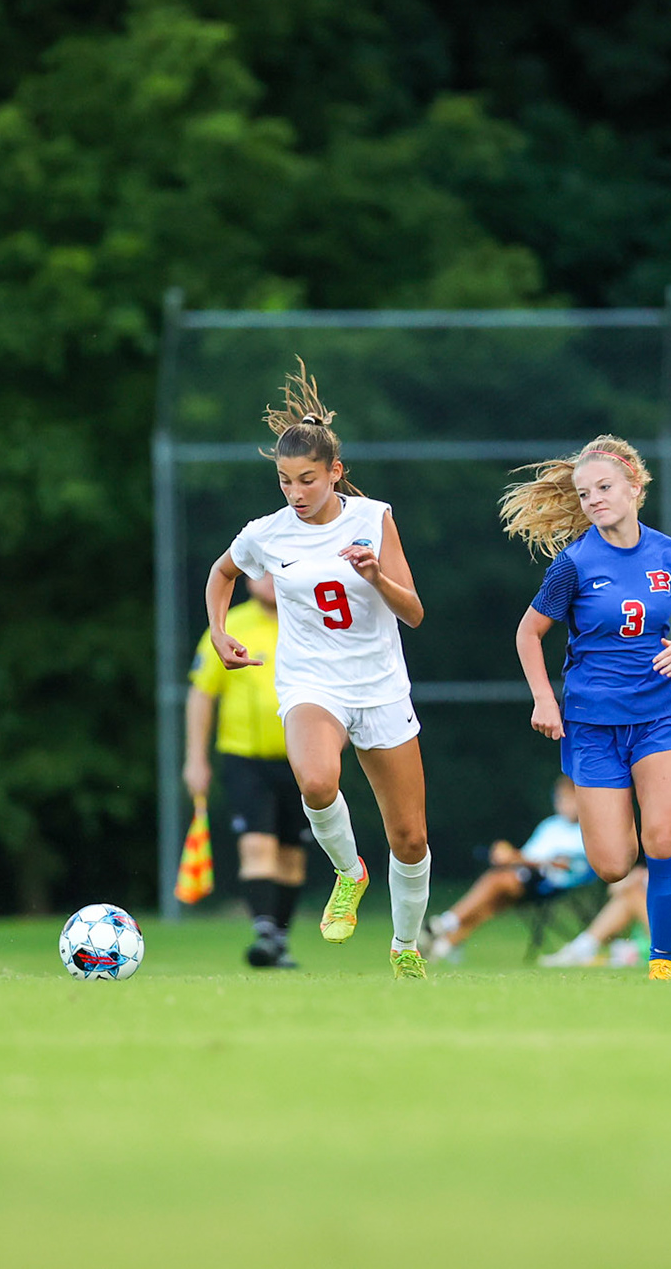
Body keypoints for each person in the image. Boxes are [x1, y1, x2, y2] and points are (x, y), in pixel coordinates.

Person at [201, 362, 433, 979]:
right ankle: (348, 870)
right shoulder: (266, 534)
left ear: (334, 472)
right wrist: (220, 632)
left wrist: (374, 576)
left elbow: (412, 613)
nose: (296, 492)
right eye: (284, 481)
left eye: (308, 479)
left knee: (410, 838)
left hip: (380, 687)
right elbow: (223, 573)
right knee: (315, 780)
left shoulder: (372, 518)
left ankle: (405, 946)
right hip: (312, 683)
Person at [502, 435, 671, 982]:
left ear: (634, 488)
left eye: (604, 487)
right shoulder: (573, 564)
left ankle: (662, 962)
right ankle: (634, 920)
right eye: (585, 492)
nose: (594, 498)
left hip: (659, 718)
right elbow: (529, 633)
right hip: (592, 727)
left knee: (663, 839)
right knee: (613, 863)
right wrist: (545, 699)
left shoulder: (670, 555)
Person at [184, 572, 309, 969]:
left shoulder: (308, 622)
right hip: (245, 759)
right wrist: (195, 758)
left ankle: (279, 940)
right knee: (257, 846)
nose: (269, 581)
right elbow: (202, 694)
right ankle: (265, 933)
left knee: (292, 856)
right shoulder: (230, 626)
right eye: (261, 573)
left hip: (300, 758)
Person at [425, 777, 588, 963]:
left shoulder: (586, 830)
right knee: (495, 900)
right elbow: (528, 855)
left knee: (496, 882)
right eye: (560, 799)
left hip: (550, 885)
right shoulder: (551, 825)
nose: (563, 805)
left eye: (569, 800)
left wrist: (513, 857)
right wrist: (509, 856)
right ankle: (446, 943)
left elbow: (562, 864)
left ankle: (444, 923)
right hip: (527, 878)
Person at [540, 832, 671, 966]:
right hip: (664, 929)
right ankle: (582, 948)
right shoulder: (660, 869)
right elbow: (614, 891)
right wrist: (631, 880)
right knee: (629, 896)